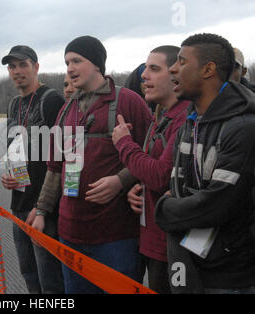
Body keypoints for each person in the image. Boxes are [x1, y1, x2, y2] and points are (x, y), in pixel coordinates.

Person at [31, 36, 152, 293]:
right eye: (66, 63)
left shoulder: (128, 101)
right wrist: (42, 211)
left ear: (97, 64)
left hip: (116, 236)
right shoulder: (66, 110)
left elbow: (152, 156)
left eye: (77, 61)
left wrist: (121, 180)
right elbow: (55, 168)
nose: (70, 69)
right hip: (70, 233)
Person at [155, 33, 255, 294]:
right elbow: (176, 186)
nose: (173, 69)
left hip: (230, 275)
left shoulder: (243, 127)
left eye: (182, 61)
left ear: (208, 69)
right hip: (190, 265)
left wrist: (164, 209)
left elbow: (217, 205)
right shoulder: (190, 122)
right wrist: (176, 200)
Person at [112, 45, 189, 294]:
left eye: (154, 69)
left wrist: (124, 143)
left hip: (171, 246)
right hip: (151, 241)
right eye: (145, 69)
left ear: (176, 75)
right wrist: (137, 186)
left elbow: (160, 175)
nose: (144, 75)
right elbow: (153, 172)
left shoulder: (185, 118)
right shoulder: (161, 116)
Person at [0, 45, 65, 294]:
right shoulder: (13, 105)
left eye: (23, 65)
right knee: (29, 275)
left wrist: (42, 207)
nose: (17, 71)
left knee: (50, 280)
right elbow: (15, 149)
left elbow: (61, 157)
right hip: (19, 205)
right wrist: (8, 175)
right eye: (12, 66)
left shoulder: (52, 99)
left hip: (43, 210)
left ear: (36, 67)